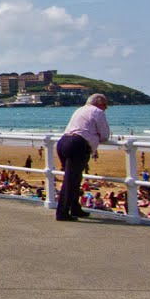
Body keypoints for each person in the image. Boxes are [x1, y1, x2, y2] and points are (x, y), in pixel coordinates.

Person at [55, 94, 110, 222]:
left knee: (74, 178)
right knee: (71, 180)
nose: (106, 108)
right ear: (98, 103)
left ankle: (75, 208)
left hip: (63, 142)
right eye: (104, 105)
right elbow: (105, 135)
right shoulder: (97, 112)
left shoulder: (80, 110)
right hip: (78, 144)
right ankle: (62, 212)